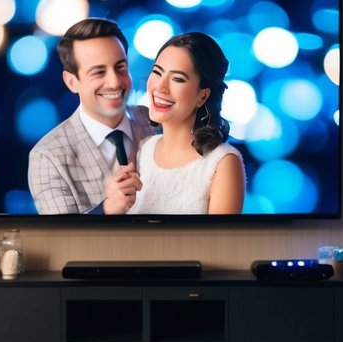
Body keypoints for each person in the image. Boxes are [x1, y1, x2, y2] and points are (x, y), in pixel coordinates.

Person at [28, 18, 153, 214]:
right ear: (71, 82)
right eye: (98, 72)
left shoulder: (156, 123)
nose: (114, 82)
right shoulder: (47, 156)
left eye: (120, 67)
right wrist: (106, 210)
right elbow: (60, 236)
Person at [129, 32, 245, 214]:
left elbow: (222, 242)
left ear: (203, 95)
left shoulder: (223, 163)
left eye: (178, 79)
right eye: (157, 72)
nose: (160, 87)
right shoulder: (142, 150)